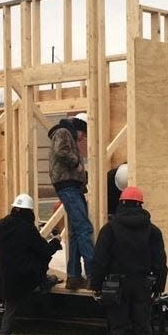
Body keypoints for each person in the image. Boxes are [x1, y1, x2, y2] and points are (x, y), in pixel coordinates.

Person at [89, 186, 168, 335]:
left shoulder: (110, 229)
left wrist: (96, 287)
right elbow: (160, 264)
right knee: (143, 330)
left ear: (121, 203)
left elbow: (99, 261)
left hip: (116, 287)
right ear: (141, 205)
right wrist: (158, 288)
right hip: (143, 285)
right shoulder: (152, 231)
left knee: (118, 330)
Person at [0, 193, 62, 335]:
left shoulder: (3, 226)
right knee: (42, 261)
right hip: (24, 278)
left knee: (10, 308)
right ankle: (43, 282)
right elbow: (43, 250)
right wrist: (55, 242)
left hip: (5, 277)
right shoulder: (26, 228)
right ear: (29, 211)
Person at [48, 112, 94, 289]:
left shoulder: (68, 135)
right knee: (84, 227)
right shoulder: (63, 132)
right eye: (83, 133)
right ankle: (93, 273)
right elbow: (61, 152)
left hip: (72, 187)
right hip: (68, 187)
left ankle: (74, 276)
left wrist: (83, 176)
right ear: (79, 127)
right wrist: (77, 164)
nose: (82, 138)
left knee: (75, 232)